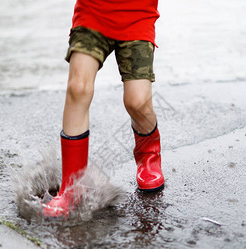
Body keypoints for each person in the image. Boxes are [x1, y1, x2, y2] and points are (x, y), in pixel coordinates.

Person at [43, 0, 165, 217]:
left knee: (137, 102)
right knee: (78, 88)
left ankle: (148, 157)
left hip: (138, 14)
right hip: (93, 12)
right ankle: (72, 187)